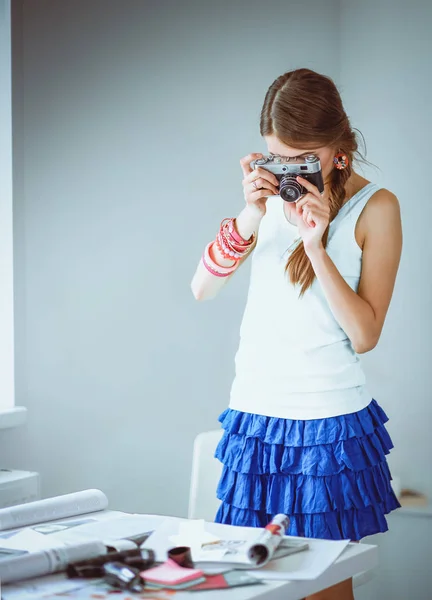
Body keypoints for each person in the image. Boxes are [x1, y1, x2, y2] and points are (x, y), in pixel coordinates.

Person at [190, 68, 402, 600]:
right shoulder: (263, 207)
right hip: (255, 418)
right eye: (278, 158)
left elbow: (365, 334)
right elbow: (202, 289)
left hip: (328, 426)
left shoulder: (376, 207)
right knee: (248, 585)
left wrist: (315, 245)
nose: (291, 171)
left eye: (302, 158)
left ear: (338, 148)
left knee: (321, 589)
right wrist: (250, 211)